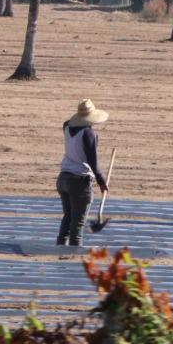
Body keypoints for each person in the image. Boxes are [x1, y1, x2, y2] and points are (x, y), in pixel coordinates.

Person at [57, 99, 109, 246]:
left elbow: (69, 123)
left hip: (63, 178)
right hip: (79, 181)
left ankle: (60, 251)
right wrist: (102, 182)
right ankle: (73, 257)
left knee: (68, 217)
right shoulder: (89, 134)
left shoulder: (66, 126)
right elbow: (93, 162)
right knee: (78, 223)